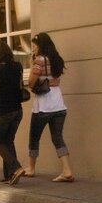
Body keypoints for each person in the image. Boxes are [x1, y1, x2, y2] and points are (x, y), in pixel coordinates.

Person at [25, 32, 73, 182]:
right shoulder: (56, 59)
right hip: (58, 103)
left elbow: (31, 81)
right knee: (58, 137)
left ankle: (31, 168)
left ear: (41, 45)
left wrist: (31, 81)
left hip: (43, 104)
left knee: (34, 137)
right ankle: (67, 170)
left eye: (34, 45)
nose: (33, 47)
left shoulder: (40, 60)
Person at [0, 41, 25, 185]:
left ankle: (16, 168)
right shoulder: (18, 67)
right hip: (17, 110)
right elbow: (20, 86)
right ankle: (10, 175)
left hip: (3, 111)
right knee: (8, 141)